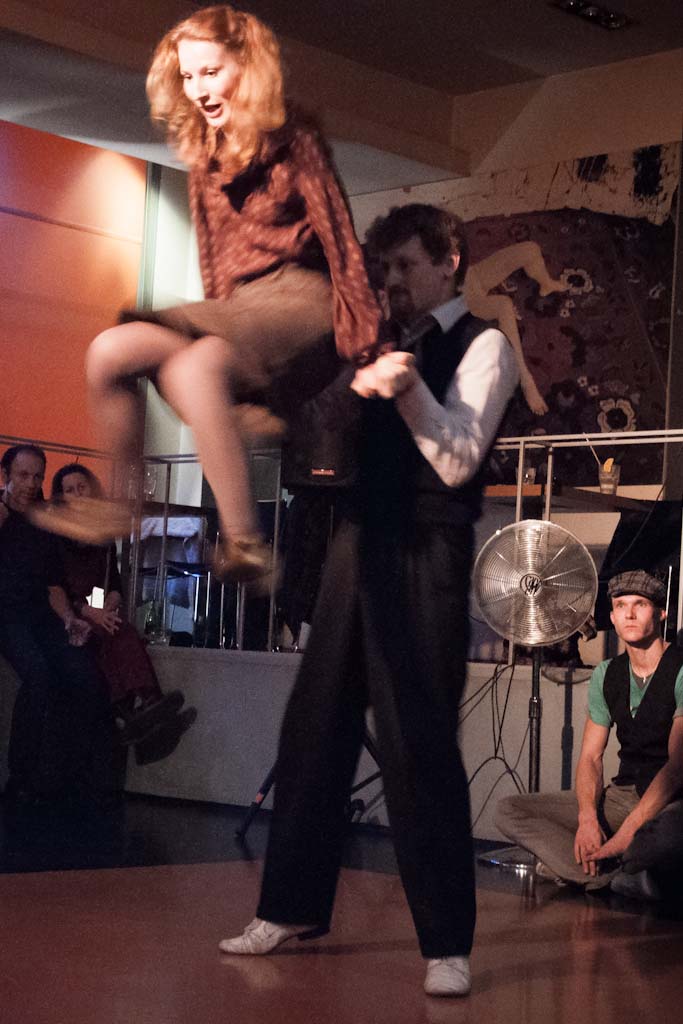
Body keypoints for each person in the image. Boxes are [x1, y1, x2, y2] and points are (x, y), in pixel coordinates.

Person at [219, 203, 518, 997]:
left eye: (406, 266)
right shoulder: (374, 338)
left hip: (426, 545)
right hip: (355, 541)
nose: (391, 282)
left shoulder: (483, 343)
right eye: (382, 269)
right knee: (313, 727)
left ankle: (446, 943)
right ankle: (287, 907)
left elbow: (456, 462)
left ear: (449, 260)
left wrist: (408, 386)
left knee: (416, 739)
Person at [31, 4, 383, 586]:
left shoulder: (297, 142)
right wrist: (227, 357)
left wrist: (369, 345)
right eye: (189, 76)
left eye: (211, 72)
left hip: (305, 299)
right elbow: (215, 264)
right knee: (110, 351)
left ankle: (245, 541)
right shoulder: (203, 156)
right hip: (243, 307)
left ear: (248, 68)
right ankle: (123, 503)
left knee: (196, 366)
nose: (198, 89)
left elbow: (341, 241)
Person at [495, 569, 683, 901]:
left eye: (640, 604)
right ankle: (615, 876)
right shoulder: (606, 674)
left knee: (667, 835)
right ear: (612, 617)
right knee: (509, 810)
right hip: (623, 795)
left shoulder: (680, 667)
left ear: (661, 613)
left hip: (670, 799)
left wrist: (624, 836)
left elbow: (676, 768)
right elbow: (591, 757)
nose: (629, 613)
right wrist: (587, 819)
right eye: (621, 605)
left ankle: (598, 867)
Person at [50, 463, 197, 759]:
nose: (77, 494)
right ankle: (143, 713)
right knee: (111, 637)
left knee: (120, 630)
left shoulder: (102, 536)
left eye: (82, 487)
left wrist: (108, 603)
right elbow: (57, 587)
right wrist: (89, 612)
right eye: (70, 490)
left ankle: (147, 708)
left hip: (96, 607)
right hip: (67, 614)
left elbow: (111, 581)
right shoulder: (55, 537)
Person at [0, 445, 115, 804]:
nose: (30, 483)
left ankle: (74, 775)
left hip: (46, 612)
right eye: (23, 475)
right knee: (39, 673)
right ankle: (22, 777)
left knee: (85, 672)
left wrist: (72, 617)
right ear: (5, 475)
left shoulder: (47, 522)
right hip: (7, 612)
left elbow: (56, 584)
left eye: (37, 476)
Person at [464, 241, 568, 416]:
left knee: (531, 250)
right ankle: (524, 378)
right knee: (504, 304)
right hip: (465, 301)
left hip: (472, 275)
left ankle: (547, 284)